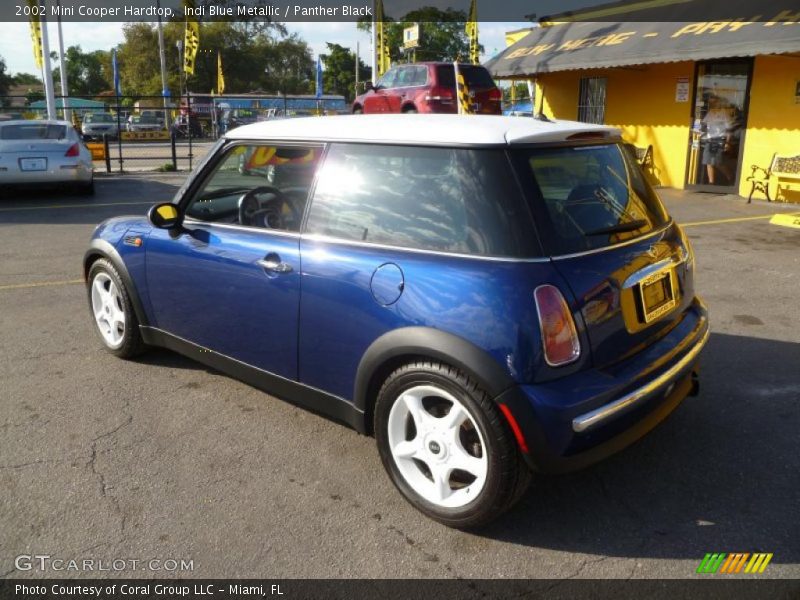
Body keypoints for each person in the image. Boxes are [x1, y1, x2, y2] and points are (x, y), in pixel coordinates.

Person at [700, 94, 740, 185]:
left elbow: (730, 129)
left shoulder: (724, 113)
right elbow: (704, 125)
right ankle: (711, 183)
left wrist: (727, 143)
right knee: (708, 162)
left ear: (718, 103)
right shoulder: (710, 113)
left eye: (714, 102)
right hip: (710, 139)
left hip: (720, 139)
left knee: (718, 162)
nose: (712, 104)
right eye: (711, 102)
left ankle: (730, 176)